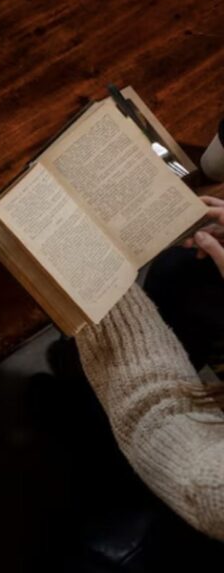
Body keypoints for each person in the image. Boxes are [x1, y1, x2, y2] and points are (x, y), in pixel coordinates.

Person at [73, 195, 224, 541]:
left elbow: (154, 410)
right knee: (182, 268)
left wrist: (91, 270)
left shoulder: (215, 486)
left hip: (180, 463)